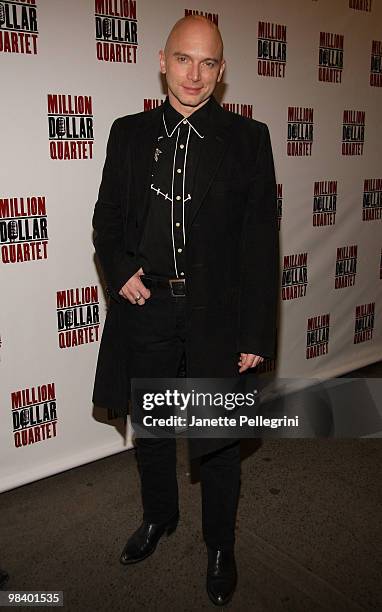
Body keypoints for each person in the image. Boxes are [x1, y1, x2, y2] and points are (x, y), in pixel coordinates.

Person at [92, 15, 279, 606]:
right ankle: (159, 517)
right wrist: (120, 271)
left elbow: (258, 244)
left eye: (207, 63)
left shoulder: (249, 140)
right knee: (151, 430)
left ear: (222, 71)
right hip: (147, 309)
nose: (194, 75)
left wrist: (255, 332)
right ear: (162, 60)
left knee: (217, 440)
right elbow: (107, 222)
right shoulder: (127, 133)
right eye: (183, 59)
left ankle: (220, 545)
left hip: (217, 317)